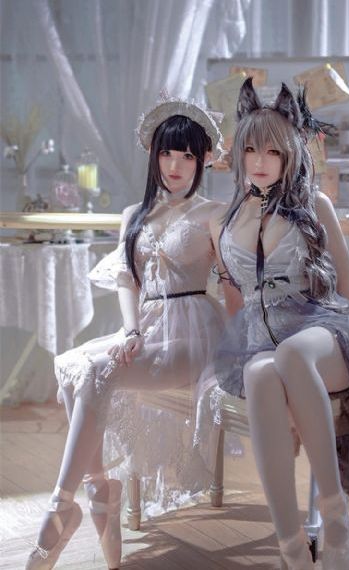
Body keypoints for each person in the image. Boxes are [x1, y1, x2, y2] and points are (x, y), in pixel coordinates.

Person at [26, 97, 226, 570]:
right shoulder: (134, 213)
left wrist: (247, 346)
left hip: (195, 333)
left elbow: (234, 284)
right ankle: (99, 489)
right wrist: (131, 330)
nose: (174, 166)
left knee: (97, 368)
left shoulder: (214, 213)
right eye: (166, 153)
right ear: (153, 155)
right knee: (75, 363)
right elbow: (126, 281)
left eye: (186, 156)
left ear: (202, 160)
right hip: (146, 328)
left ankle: (62, 506)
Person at [209, 78, 349, 570]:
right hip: (261, 343)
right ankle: (291, 548)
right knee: (260, 374)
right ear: (238, 153)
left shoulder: (315, 205)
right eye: (251, 149)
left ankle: (335, 521)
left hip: (323, 334)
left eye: (272, 150)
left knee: (288, 355)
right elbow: (234, 300)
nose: (260, 160)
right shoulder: (226, 219)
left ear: (290, 153)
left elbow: (347, 286)